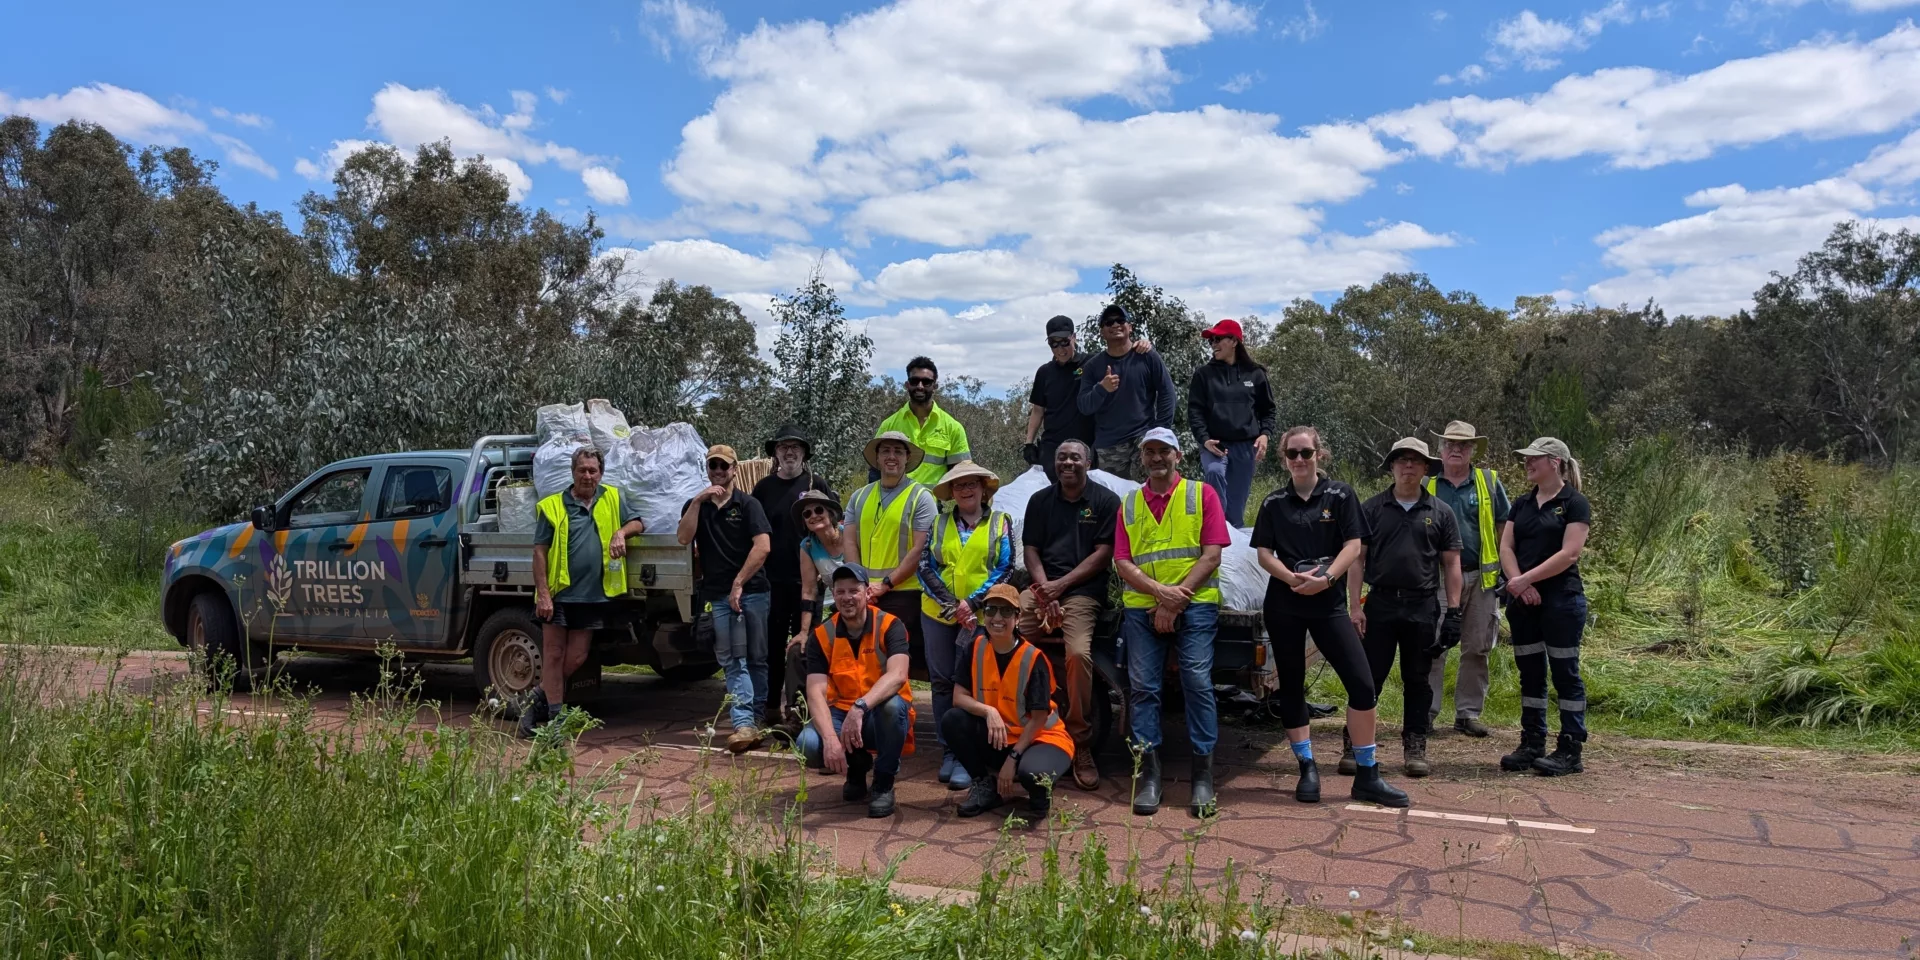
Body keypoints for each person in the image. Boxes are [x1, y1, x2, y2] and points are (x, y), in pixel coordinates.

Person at [1251, 426, 1408, 808]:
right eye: (1292, 454)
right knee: (1292, 686)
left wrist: (1327, 579)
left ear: (1320, 454)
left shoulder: (1340, 495)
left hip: (1328, 603)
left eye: (1307, 452)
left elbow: (1354, 545)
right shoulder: (1273, 502)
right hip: (1285, 603)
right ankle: (1306, 768)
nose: (1300, 460)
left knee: (1362, 684)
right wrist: (1290, 577)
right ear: (1284, 458)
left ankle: (1367, 774)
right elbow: (1263, 553)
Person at [1113, 427, 1229, 817]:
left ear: (1178, 455)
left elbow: (1211, 555)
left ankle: (1202, 776)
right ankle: (1149, 775)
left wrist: (1175, 599)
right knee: (1143, 687)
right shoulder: (1129, 504)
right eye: (1150, 452)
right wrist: (1160, 594)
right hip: (1144, 606)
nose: (1156, 458)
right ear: (1142, 458)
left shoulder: (1201, 495)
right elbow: (1123, 561)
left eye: (1164, 451)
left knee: (1197, 681)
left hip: (1194, 603)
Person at [1354, 438, 1463, 779]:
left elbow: (1452, 563)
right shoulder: (1371, 509)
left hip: (1422, 606)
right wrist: (1354, 607)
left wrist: (1454, 612)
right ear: (1391, 467)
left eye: (1416, 461)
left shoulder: (1441, 512)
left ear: (1426, 468)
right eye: (1401, 460)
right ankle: (1356, 745)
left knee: (1417, 679)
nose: (1408, 466)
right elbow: (1357, 559)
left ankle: (1415, 746)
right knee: (1368, 678)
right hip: (1380, 603)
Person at [1017, 438, 1121, 790]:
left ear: (1087, 463)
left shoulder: (1106, 501)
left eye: (1075, 457)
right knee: (1007, 638)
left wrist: (1061, 588)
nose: (1068, 463)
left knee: (1077, 653)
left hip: (1082, 594)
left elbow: (1104, 554)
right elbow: (1030, 549)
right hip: (1041, 589)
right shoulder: (1040, 501)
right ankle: (1010, 722)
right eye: (1061, 457)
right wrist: (1045, 589)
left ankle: (1080, 742)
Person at [526, 447, 646, 737]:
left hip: (593, 595)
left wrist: (620, 533)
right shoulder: (554, 505)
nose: (588, 476)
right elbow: (540, 551)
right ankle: (555, 720)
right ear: (573, 472)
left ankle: (534, 702)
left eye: (593, 470)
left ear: (601, 473)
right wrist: (543, 593)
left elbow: (639, 523)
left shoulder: (612, 497)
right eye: (582, 470)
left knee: (577, 657)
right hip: (559, 595)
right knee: (553, 654)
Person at [917, 460, 1016, 792]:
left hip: (982, 616)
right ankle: (949, 751)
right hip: (938, 614)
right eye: (959, 485)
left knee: (972, 685)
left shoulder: (1001, 522)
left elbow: (1004, 568)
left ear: (984, 488)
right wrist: (951, 604)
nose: (966, 490)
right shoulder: (939, 522)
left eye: (972, 484)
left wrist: (971, 604)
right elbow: (924, 566)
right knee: (943, 682)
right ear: (952, 492)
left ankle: (967, 754)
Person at [1499, 437, 1593, 778]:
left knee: (1565, 674)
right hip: (1523, 601)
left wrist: (1527, 580)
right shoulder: (1521, 503)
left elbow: (1569, 553)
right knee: (1531, 675)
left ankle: (1570, 747)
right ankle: (1532, 741)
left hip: (1562, 600)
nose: (1527, 463)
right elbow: (1506, 546)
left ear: (1554, 462)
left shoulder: (1574, 502)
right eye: (1526, 458)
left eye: (1533, 458)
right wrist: (1518, 583)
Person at [942, 583, 1076, 822]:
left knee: (1032, 774)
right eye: (991, 610)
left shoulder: (1033, 659)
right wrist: (988, 711)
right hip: (1002, 734)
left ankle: (1039, 793)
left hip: (1042, 738)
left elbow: (1038, 719)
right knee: (953, 720)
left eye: (1005, 612)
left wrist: (1012, 760)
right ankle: (984, 786)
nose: (997, 618)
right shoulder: (975, 646)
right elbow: (958, 697)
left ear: (1017, 617)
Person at [675, 444, 773, 754]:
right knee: (733, 659)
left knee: (757, 657)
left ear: (734, 470)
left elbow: (763, 547)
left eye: (723, 466)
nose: (717, 471)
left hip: (753, 592)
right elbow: (682, 537)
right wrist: (698, 500)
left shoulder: (748, 505)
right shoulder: (697, 505)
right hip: (718, 596)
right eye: (712, 466)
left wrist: (739, 583)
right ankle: (743, 721)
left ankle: (755, 719)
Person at [798, 564, 915, 818]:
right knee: (807, 743)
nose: (846, 597)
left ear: (866, 593)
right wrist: (830, 739)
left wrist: (860, 707)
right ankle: (857, 766)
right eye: (840, 592)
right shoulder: (822, 635)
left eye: (854, 590)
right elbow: (815, 692)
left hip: (877, 713)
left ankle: (883, 782)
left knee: (893, 708)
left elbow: (898, 675)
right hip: (841, 715)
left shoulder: (890, 625)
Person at [1423, 421, 1511, 738]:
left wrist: (1504, 569)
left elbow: (1504, 526)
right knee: (1434, 646)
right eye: (1450, 444)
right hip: (1439, 578)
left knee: (1478, 647)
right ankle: (1426, 713)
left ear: (1473, 450)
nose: (1456, 450)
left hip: (1482, 578)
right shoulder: (1427, 482)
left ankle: (1468, 713)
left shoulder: (1488, 482)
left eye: (1463, 445)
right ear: (1441, 450)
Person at [751, 424, 837, 732]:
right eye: (783, 447)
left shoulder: (817, 484)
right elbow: (754, 532)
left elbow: (831, 526)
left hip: (808, 584)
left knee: (805, 647)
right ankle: (770, 708)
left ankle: (799, 713)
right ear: (775, 453)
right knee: (771, 647)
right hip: (772, 582)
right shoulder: (763, 488)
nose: (789, 452)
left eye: (795, 447)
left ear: (804, 453)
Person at [843, 431, 938, 663]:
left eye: (898, 451)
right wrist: (861, 584)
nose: (891, 456)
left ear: (907, 458)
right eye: (885, 450)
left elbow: (920, 549)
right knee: (845, 649)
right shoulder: (858, 497)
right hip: (864, 592)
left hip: (905, 593)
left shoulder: (921, 497)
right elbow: (849, 542)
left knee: (885, 653)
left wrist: (885, 585)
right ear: (877, 458)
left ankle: (894, 698)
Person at [1025, 315, 1151, 482]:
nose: (1060, 348)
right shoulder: (1044, 372)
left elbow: (1121, 356)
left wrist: (1141, 345)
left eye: (1064, 342)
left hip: (1088, 444)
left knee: (1090, 495)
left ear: (1074, 337)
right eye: (1053, 343)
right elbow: (1038, 409)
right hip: (1053, 447)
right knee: (1055, 496)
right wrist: (1028, 443)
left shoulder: (1092, 363)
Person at [1186, 319, 1275, 527]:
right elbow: (1195, 411)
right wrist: (1204, 439)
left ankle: (1231, 548)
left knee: (1236, 511)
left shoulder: (1256, 374)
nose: (1213, 344)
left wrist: (1265, 434)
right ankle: (1215, 529)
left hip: (1245, 447)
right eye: (1211, 341)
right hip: (1214, 444)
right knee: (1214, 473)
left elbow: (1268, 409)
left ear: (1234, 341)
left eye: (1218, 339)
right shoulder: (1203, 375)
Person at [1077, 305, 1175, 482]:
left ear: (1130, 327)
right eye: (1108, 322)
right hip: (1109, 446)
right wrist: (1101, 389)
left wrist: (1161, 431)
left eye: (1120, 320)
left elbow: (1167, 393)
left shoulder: (1147, 356)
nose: (1115, 325)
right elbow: (1084, 406)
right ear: (1102, 332)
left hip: (1144, 439)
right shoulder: (1092, 367)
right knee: (1115, 502)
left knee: (1151, 495)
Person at [778, 489, 846, 738]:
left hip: (862, 607)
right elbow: (808, 590)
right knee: (798, 650)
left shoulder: (851, 534)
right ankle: (795, 718)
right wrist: (804, 632)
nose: (813, 515)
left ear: (831, 513)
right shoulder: (807, 545)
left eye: (819, 510)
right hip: (836, 612)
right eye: (807, 513)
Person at [876, 357, 971, 488]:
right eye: (915, 381)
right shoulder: (888, 425)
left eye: (926, 382)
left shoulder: (953, 428)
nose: (920, 386)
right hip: (894, 504)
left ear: (935, 386)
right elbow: (875, 472)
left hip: (933, 506)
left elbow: (962, 476)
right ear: (907, 385)